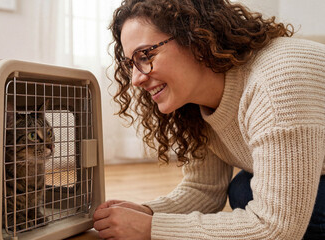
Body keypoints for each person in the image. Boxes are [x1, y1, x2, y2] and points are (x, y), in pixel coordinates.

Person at [92, 0, 325, 239]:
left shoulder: (276, 85)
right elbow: (204, 190)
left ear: (196, 38)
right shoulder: (196, 102)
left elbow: (275, 229)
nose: (135, 80)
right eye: (131, 63)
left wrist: (151, 229)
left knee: (246, 193)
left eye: (145, 55)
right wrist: (148, 213)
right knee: (243, 189)